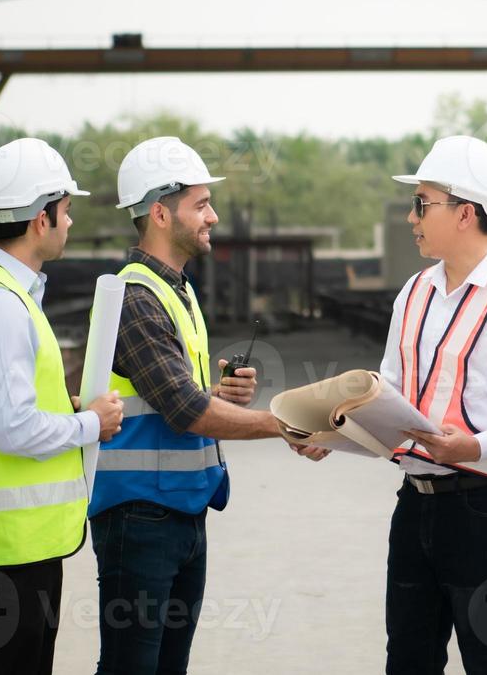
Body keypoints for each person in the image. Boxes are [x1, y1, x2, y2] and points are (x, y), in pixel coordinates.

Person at [299, 135, 487, 675]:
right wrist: (336, 435)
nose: (411, 216)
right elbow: (387, 397)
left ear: (466, 212)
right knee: (409, 661)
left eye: (422, 203)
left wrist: (476, 445)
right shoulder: (414, 292)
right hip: (415, 503)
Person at [0, 137, 125, 675]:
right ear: (42, 218)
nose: (69, 222)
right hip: (4, 550)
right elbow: (12, 429)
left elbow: (12, 406)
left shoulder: (7, 297)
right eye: (65, 210)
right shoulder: (0, 307)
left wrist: (64, 408)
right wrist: (91, 423)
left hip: (20, 546)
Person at [90, 136, 281, 675]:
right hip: (140, 519)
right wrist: (281, 424)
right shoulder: (136, 296)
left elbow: (176, 401)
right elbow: (182, 411)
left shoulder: (177, 290)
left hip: (180, 512)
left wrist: (219, 398)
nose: (213, 216)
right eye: (200, 204)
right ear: (158, 212)